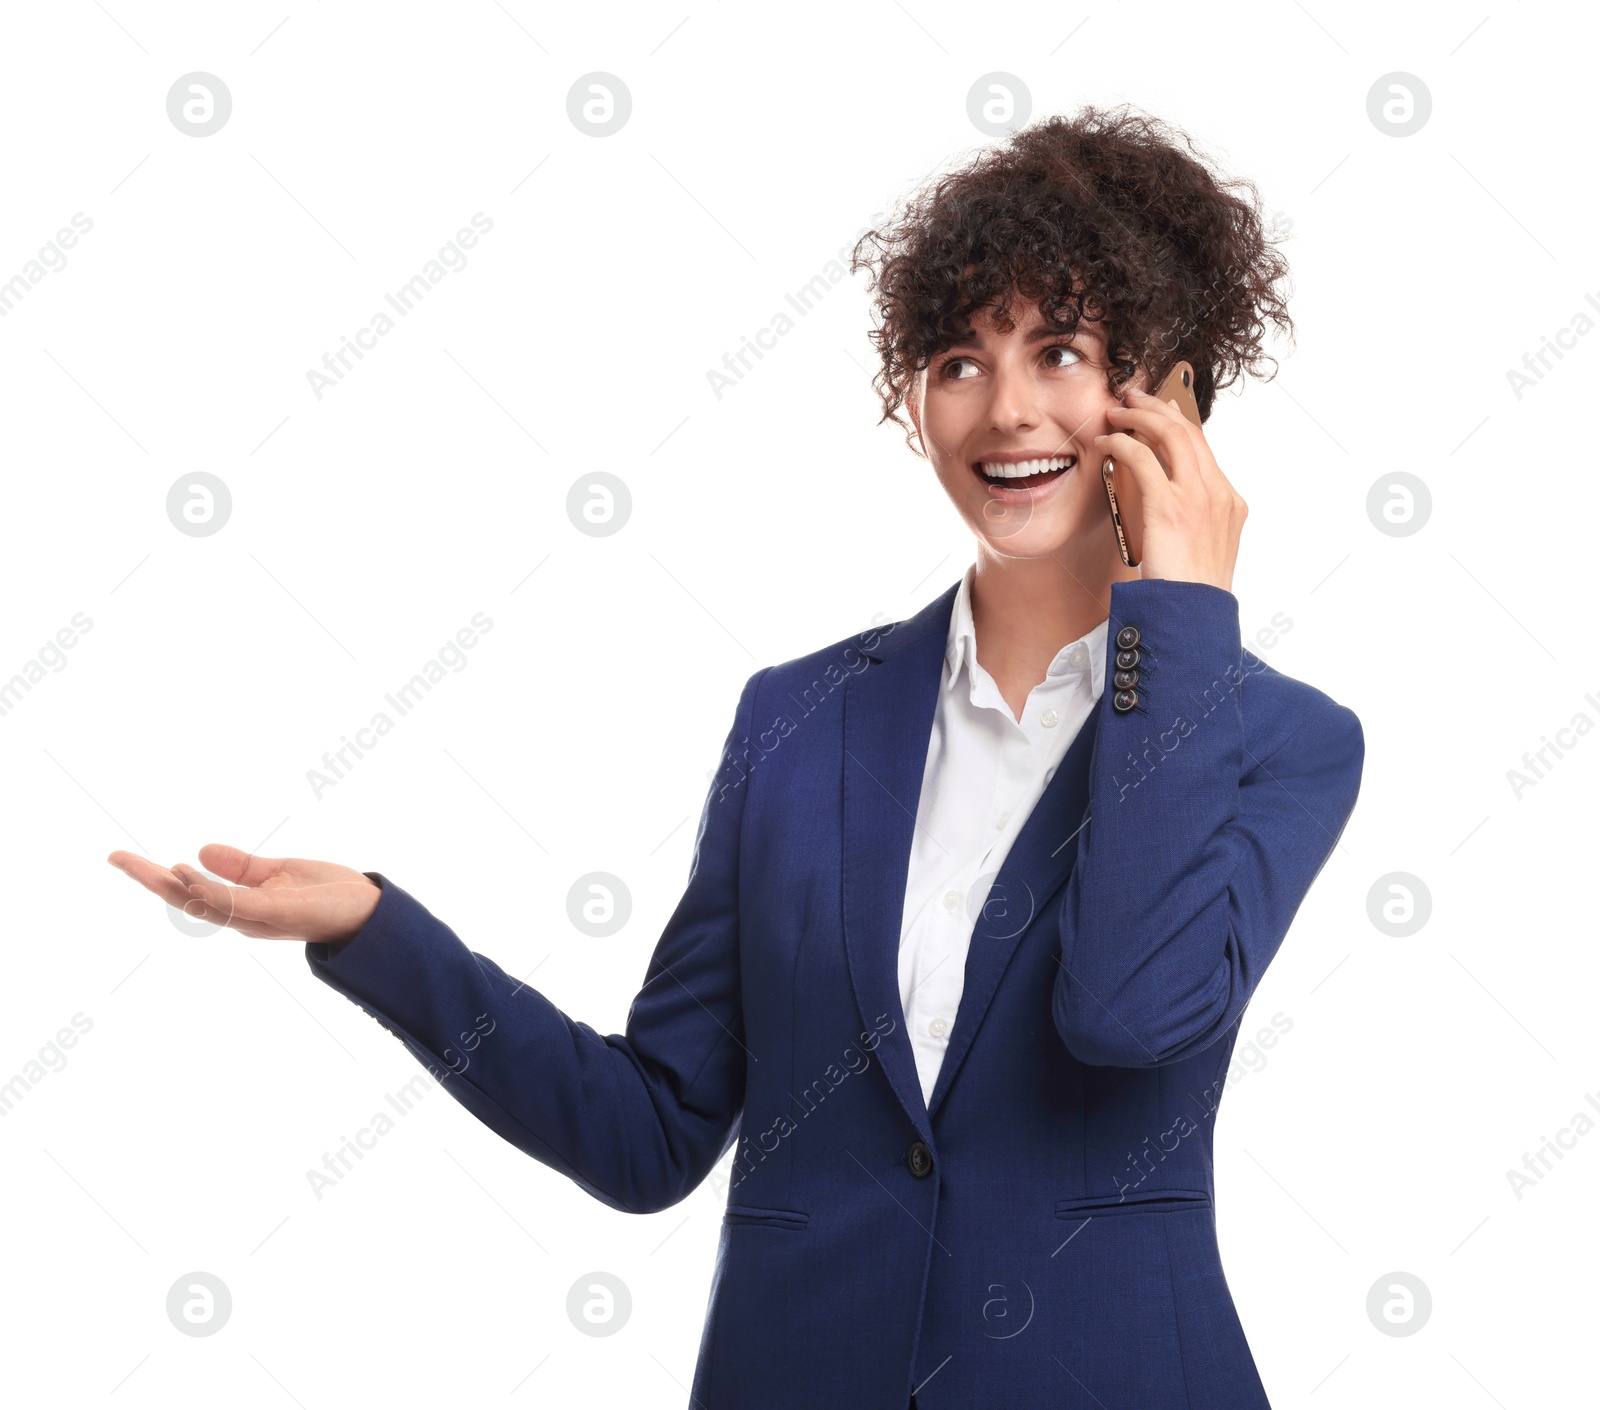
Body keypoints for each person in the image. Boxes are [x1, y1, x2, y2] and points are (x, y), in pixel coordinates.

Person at [110, 104, 1364, 1408]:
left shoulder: (1280, 742)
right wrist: (379, 929)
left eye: (1059, 349)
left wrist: (1182, 618)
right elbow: (650, 1130)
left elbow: (1127, 1010)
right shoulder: (798, 720)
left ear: (1168, 390)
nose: (1004, 410)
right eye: (955, 359)